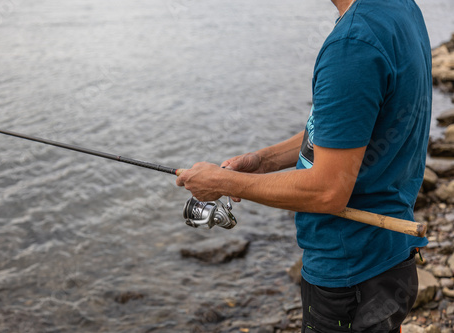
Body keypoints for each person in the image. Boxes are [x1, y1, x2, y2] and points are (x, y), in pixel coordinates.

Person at [176, 0, 432, 331]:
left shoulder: (351, 46)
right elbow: (347, 129)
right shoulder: (400, 8)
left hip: (350, 275)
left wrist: (223, 183)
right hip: (391, 259)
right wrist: (263, 161)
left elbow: (328, 191)